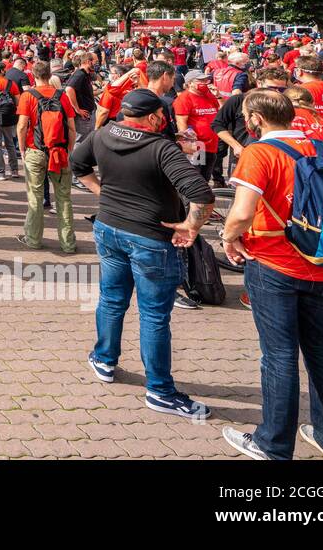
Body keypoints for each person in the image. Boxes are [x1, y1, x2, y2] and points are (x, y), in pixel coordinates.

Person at [220, 88, 323, 460]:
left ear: (256, 119)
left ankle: (273, 445)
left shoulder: (258, 152)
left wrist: (228, 238)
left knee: (279, 356)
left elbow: (243, 213)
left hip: (273, 265)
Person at [72, 88, 216, 419]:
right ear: (152, 117)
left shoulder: (103, 133)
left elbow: (76, 164)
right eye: (162, 116)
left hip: (109, 229)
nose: (165, 120)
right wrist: (190, 227)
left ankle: (105, 360)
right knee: (153, 314)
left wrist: (102, 193)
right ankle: (160, 392)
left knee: (111, 299)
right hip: (149, 238)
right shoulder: (161, 148)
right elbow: (202, 194)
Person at [16, 60, 78, 253]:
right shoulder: (62, 95)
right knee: (64, 198)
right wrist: (68, 149)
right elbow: (72, 128)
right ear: (50, 74)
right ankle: (68, 243)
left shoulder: (28, 96)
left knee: (35, 197)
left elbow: (22, 126)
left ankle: (33, 239)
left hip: (35, 150)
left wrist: (23, 150)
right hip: (59, 152)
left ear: (33, 75)